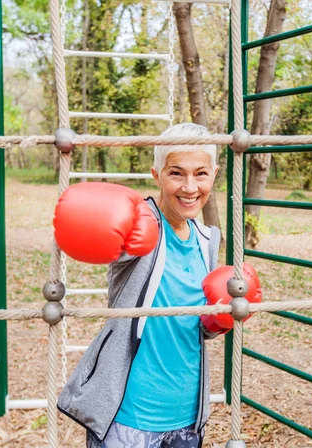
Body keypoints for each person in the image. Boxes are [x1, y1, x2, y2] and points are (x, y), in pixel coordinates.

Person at [55, 123, 261, 448]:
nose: (190, 186)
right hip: (129, 416)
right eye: (176, 173)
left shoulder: (208, 239)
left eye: (201, 174)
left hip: (186, 415)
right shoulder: (141, 224)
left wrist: (215, 321)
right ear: (157, 175)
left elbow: (194, 324)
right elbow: (107, 237)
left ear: (215, 174)